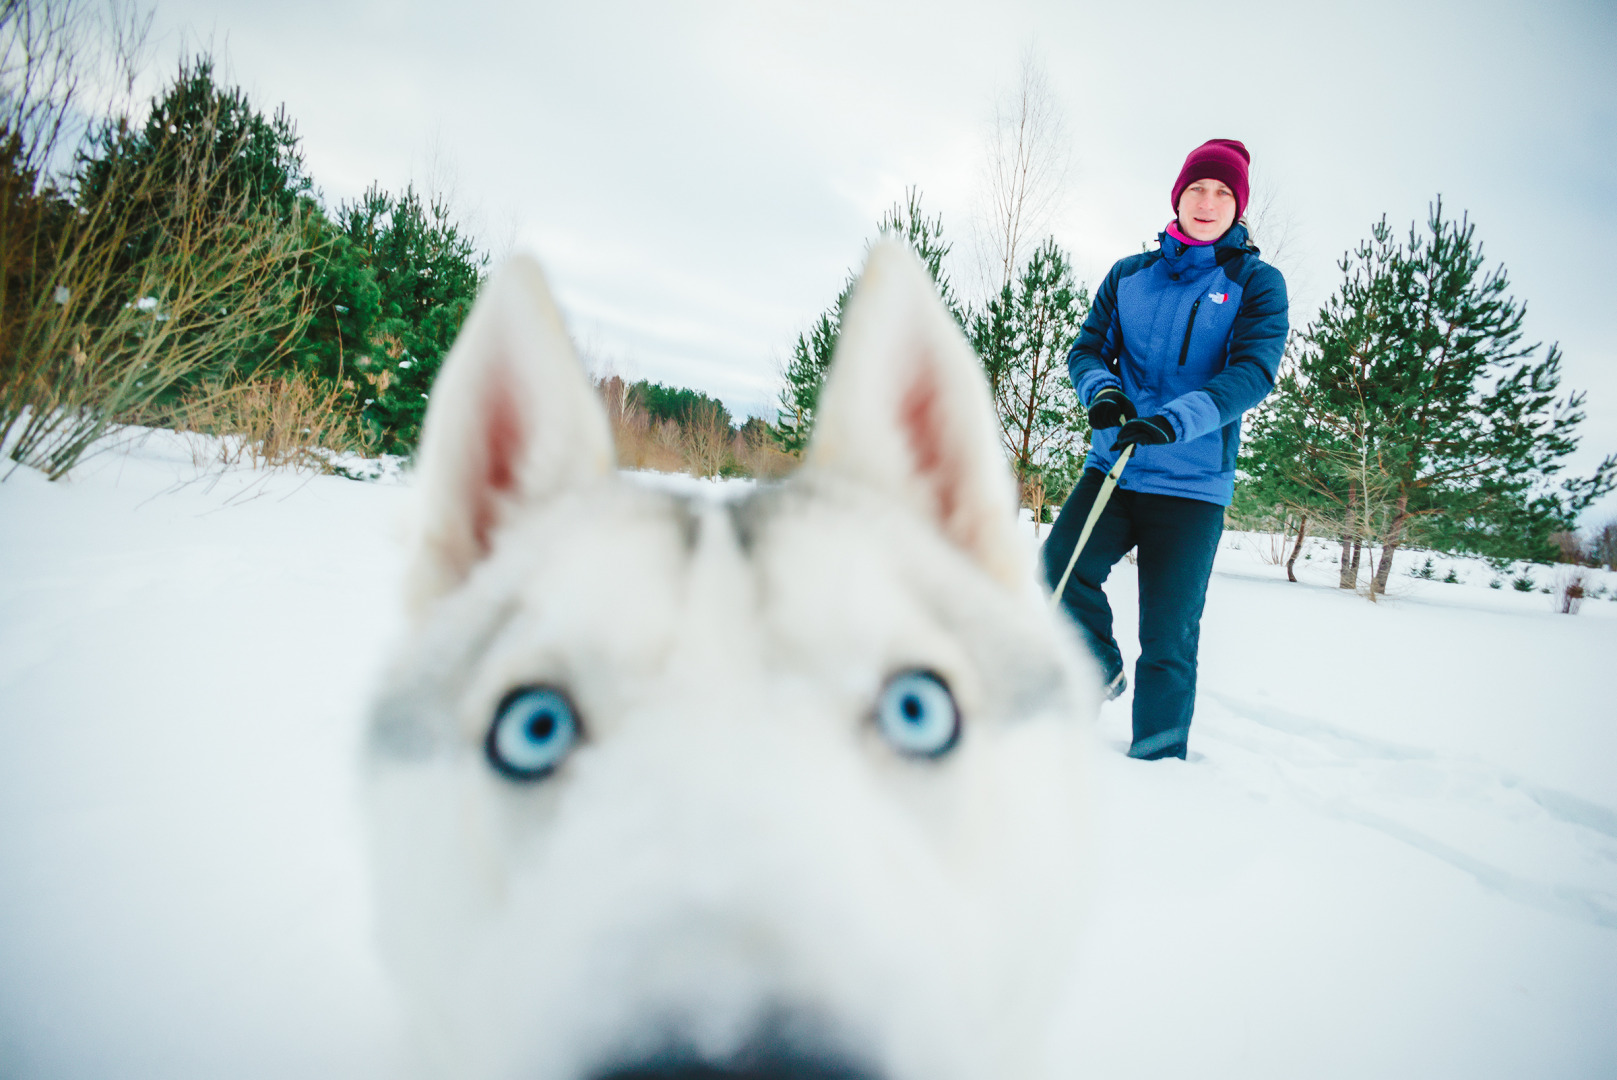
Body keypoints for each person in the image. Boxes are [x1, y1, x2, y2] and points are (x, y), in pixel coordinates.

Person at [1042, 138, 1288, 761]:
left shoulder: (1255, 283)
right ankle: (1097, 668)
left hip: (1191, 485)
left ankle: (1158, 767)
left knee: (1169, 639)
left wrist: (1175, 421)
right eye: (1197, 189)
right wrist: (1101, 395)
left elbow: (1253, 372)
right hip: (1114, 468)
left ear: (1239, 207)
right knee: (1057, 575)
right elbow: (1087, 349)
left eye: (1223, 193)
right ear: (1177, 197)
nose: (1207, 203)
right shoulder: (1129, 275)